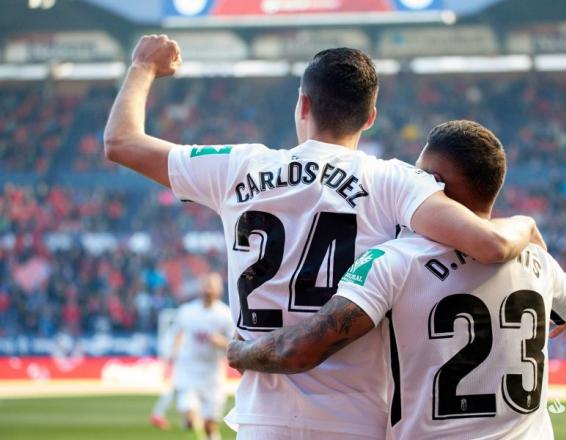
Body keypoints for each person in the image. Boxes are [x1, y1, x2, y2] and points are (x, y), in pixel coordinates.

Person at [104, 35, 542, 439]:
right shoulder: (392, 180)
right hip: (358, 419)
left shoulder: (236, 167)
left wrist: (143, 66)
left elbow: (121, 142)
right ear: (370, 117)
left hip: (263, 419)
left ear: (303, 104)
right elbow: (490, 244)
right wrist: (527, 225)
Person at [227, 121, 566, 439]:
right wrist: (560, 315)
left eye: (419, 174)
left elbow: (302, 349)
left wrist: (241, 353)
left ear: (434, 183)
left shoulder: (395, 260)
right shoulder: (537, 260)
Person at [168, 273, 234, 440]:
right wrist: (173, 351)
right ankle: (191, 421)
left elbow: (235, 343)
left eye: (212, 286)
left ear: (219, 290)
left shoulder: (225, 314)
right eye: (206, 285)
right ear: (200, 288)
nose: (208, 289)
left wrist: (220, 342)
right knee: (190, 418)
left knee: (210, 426)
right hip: (189, 370)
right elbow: (176, 332)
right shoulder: (187, 311)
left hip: (212, 373)